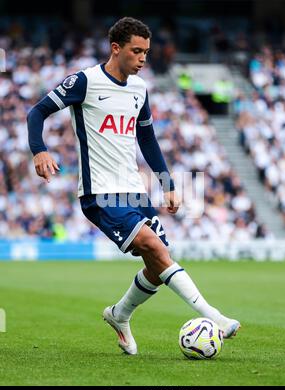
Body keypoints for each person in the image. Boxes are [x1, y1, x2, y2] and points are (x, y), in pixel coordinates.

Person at [27, 17, 240, 355]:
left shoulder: (140, 89)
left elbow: (147, 138)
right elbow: (36, 113)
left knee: (159, 263)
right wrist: (39, 150)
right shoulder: (85, 81)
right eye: (136, 51)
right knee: (155, 248)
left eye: (146, 52)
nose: (143, 58)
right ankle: (215, 316)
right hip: (99, 192)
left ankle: (120, 314)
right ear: (116, 48)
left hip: (133, 190)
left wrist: (167, 183)